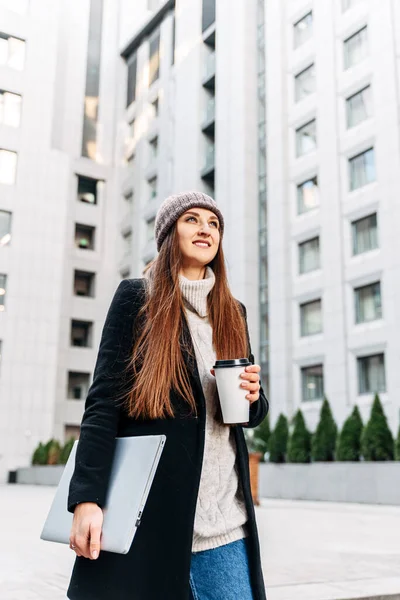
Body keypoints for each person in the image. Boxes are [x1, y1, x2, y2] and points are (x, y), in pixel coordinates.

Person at [66, 191, 269, 600]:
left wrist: (254, 396)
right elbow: (103, 403)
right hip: (151, 522)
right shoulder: (136, 300)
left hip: (224, 526)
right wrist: (86, 498)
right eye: (192, 220)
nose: (205, 229)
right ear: (168, 235)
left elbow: (245, 414)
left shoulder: (234, 312)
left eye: (213, 224)